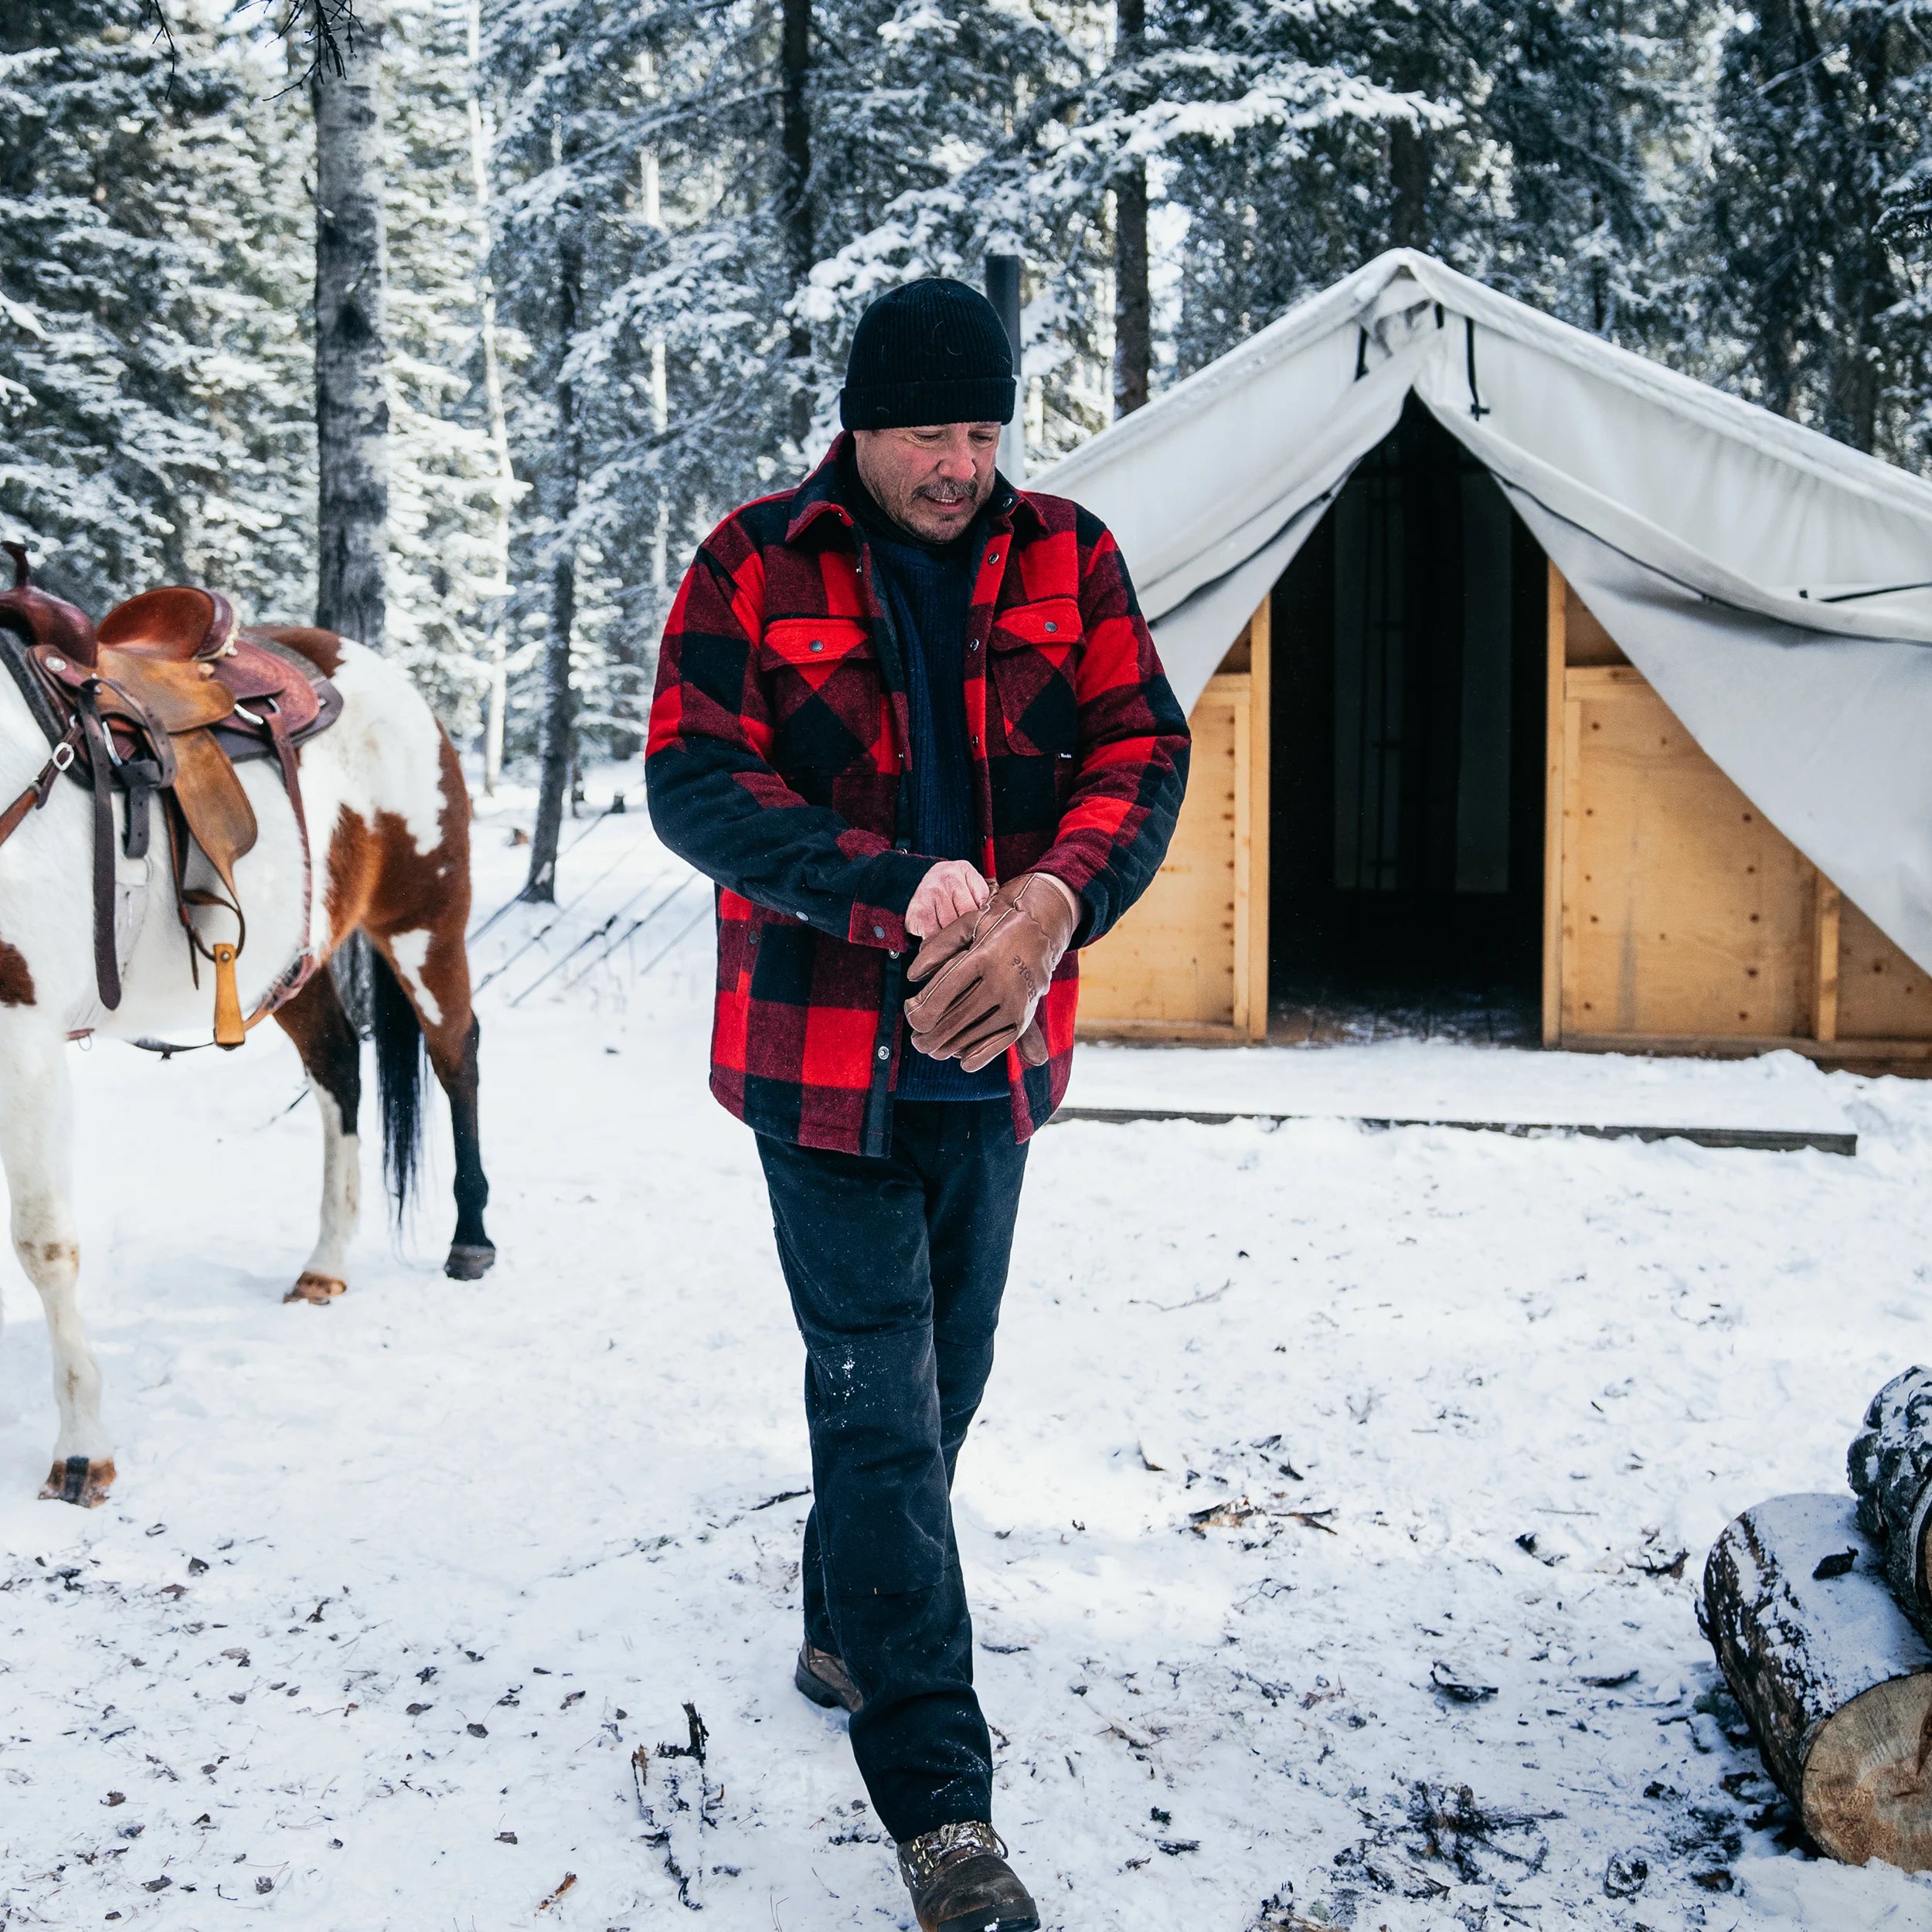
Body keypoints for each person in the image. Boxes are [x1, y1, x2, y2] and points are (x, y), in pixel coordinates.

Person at [645, 277, 1189, 1932]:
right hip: (817, 1061)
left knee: (945, 1376)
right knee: (876, 1394)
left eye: (980, 428)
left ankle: (842, 1616)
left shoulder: (1068, 555)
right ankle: (942, 1808)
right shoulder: (753, 559)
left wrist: (1045, 909)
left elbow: (1136, 756)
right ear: (860, 428)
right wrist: (894, 885)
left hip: (998, 1049)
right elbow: (692, 781)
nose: (960, 463)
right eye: (926, 433)